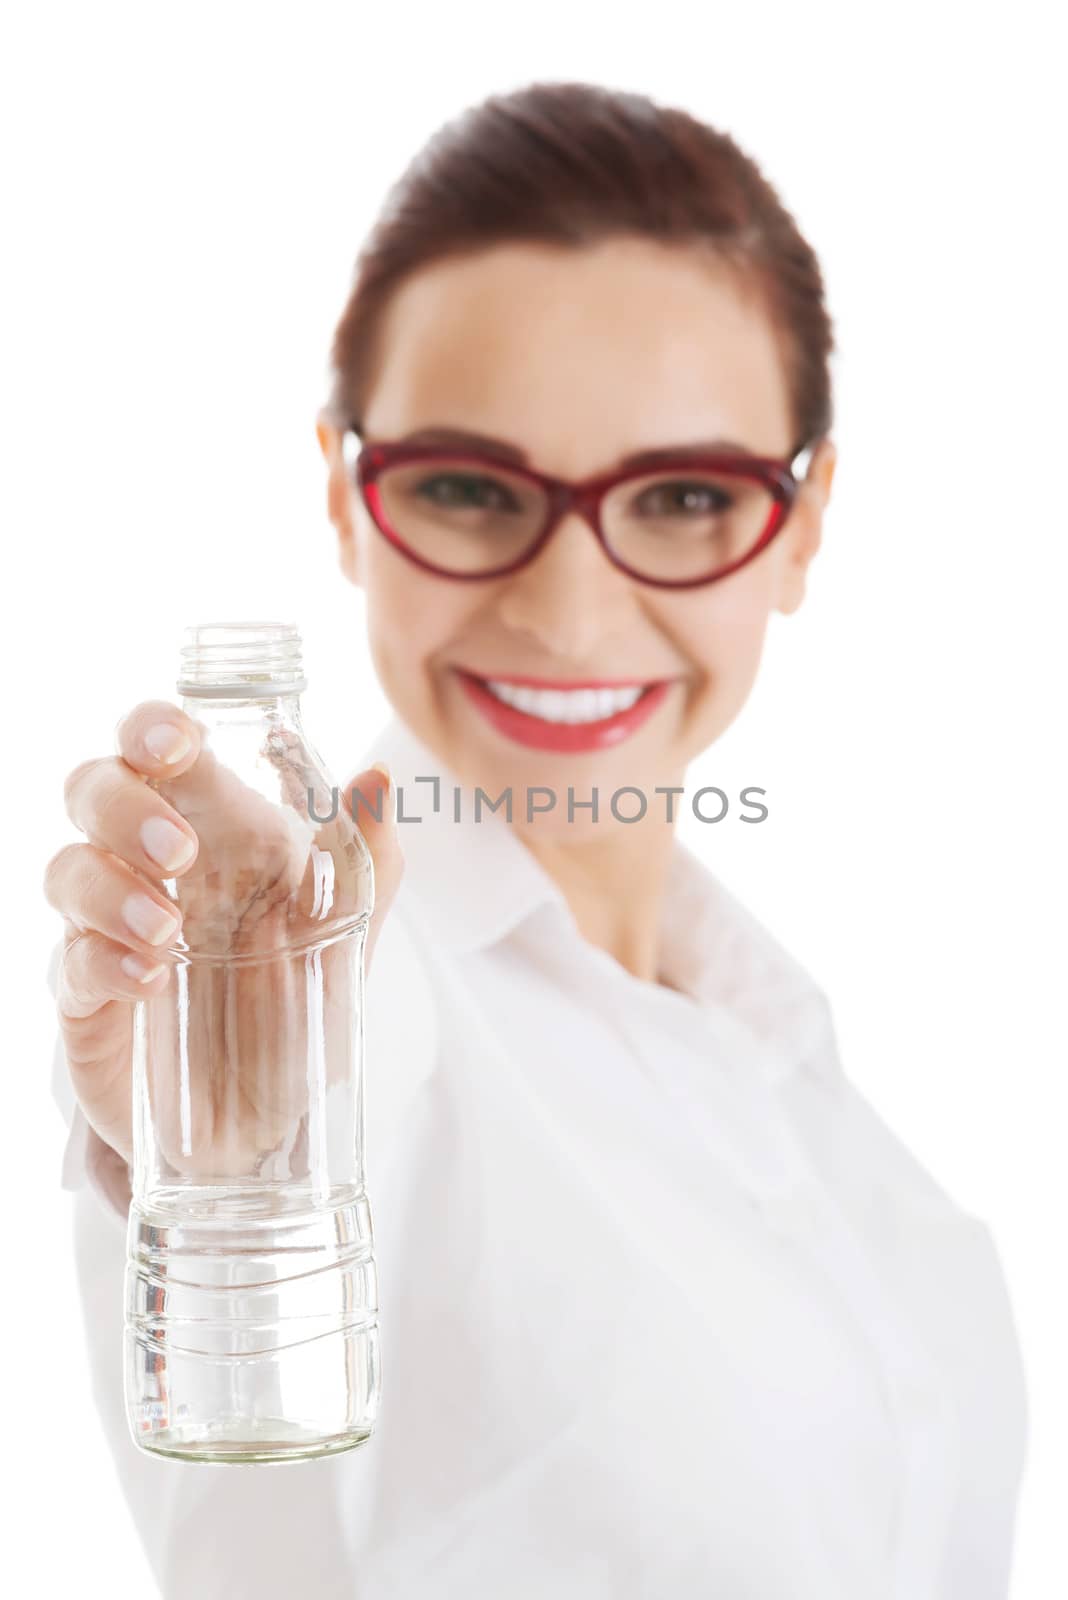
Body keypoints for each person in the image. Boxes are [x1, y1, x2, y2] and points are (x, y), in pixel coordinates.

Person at [43, 80, 1028, 1599]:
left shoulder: (800, 1074)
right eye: (464, 487)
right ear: (344, 494)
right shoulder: (318, 995)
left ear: (807, 518)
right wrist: (230, 1172)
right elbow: (253, 1538)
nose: (569, 612)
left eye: (688, 494)